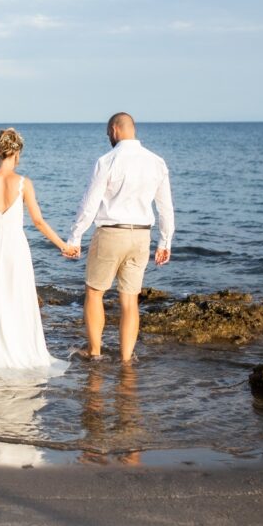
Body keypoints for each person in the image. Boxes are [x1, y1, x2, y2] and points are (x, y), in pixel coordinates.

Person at [0, 128, 75, 371]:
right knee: (18, 299)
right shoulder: (24, 183)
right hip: (16, 249)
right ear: (17, 153)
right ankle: (19, 349)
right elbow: (39, 222)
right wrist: (63, 245)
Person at [66, 112, 174, 363]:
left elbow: (90, 204)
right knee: (130, 300)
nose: (109, 139)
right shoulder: (156, 162)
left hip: (111, 233)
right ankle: (126, 359)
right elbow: (165, 207)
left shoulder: (107, 160)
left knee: (94, 293)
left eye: (108, 135)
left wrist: (75, 237)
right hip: (141, 237)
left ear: (115, 130)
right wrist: (165, 242)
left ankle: (95, 353)